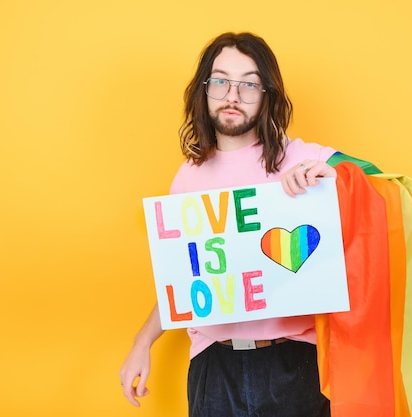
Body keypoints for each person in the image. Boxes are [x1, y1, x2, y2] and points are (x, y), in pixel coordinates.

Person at [120, 32, 340, 417]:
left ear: (267, 94)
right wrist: (142, 342)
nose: (233, 96)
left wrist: (334, 175)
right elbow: (185, 277)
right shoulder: (187, 177)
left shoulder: (301, 156)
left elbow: (382, 188)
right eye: (220, 81)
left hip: (293, 364)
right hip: (212, 367)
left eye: (249, 84)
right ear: (204, 92)